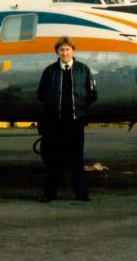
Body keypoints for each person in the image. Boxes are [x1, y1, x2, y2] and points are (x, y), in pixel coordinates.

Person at [36, 36, 97, 202]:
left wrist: (79, 109)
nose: (64, 53)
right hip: (55, 123)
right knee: (54, 160)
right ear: (57, 52)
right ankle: (49, 194)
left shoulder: (83, 70)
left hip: (76, 122)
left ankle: (81, 194)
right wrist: (53, 109)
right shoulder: (50, 71)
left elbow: (92, 94)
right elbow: (41, 93)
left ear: (73, 51)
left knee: (77, 159)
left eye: (67, 50)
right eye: (61, 50)